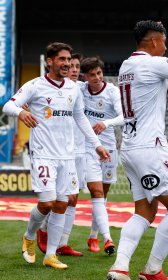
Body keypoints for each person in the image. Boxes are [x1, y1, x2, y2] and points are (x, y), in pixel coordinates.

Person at [106, 13, 168, 280]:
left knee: (145, 211)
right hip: (150, 148)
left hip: (129, 148)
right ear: (153, 42)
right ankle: (152, 269)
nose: (166, 47)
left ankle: (120, 267)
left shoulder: (126, 66)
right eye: (164, 41)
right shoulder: (153, 64)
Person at [3, 42, 111, 269]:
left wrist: (97, 145)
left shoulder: (73, 88)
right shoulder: (35, 85)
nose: (66, 64)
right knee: (47, 203)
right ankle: (30, 236)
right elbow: (8, 106)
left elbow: (81, 118)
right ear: (49, 61)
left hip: (67, 156)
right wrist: (22, 112)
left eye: (68, 60)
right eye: (61, 59)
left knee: (63, 203)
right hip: (43, 154)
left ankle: (51, 255)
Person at [37, 53, 86, 257]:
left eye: (76, 66)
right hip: (54, 151)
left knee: (72, 199)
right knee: (56, 200)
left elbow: (82, 117)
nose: (73, 68)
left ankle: (62, 243)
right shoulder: (46, 87)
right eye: (69, 64)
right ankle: (42, 230)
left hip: (79, 150)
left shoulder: (80, 88)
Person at [80, 56, 122, 255]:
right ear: (85, 76)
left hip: (109, 149)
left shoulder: (112, 91)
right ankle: (108, 239)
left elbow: (124, 117)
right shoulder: (80, 90)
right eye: (92, 74)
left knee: (102, 196)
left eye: (99, 73)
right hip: (88, 148)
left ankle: (93, 236)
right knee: (96, 192)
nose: (96, 77)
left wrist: (107, 123)